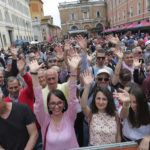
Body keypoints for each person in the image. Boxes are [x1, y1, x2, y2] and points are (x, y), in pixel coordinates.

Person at [29, 55, 80, 150]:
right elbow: (39, 102)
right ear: (48, 105)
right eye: (52, 103)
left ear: (64, 104)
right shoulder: (44, 120)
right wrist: (34, 75)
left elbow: (72, 98)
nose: (56, 106)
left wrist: (73, 71)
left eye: (59, 103)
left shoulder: (69, 117)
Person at [81, 70, 121, 146]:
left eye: (104, 99)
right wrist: (88, 86)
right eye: (98, 98)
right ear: (94, 100)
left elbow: (118, 136)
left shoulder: (115, 114)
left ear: (108, 100)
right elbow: (83, 105)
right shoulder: (91, 114)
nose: (101, 102)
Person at [113, 84, 150, 150]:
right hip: (127, 143)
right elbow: (123, 115)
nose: (132, 105)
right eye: (131, 102)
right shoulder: (126, 106)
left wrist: (148, 137)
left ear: (143, 100)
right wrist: (126, 103)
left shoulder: (148, 107)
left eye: (135, 102)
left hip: (144, 144)